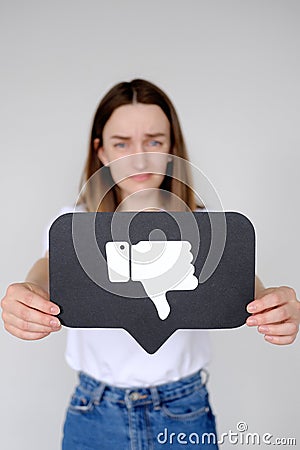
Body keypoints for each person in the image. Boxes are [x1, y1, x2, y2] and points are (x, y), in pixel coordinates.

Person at [1, 79, 299, 450]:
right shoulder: (73, 223)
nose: (138, 159)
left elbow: (239, 282)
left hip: (183, 412)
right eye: (121, 143)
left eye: (154, 141)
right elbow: (47, 267)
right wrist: (28, 291)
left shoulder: (204, 226)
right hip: (94, 412)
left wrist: (272, 301)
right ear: (102, 152)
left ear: (172, 147)